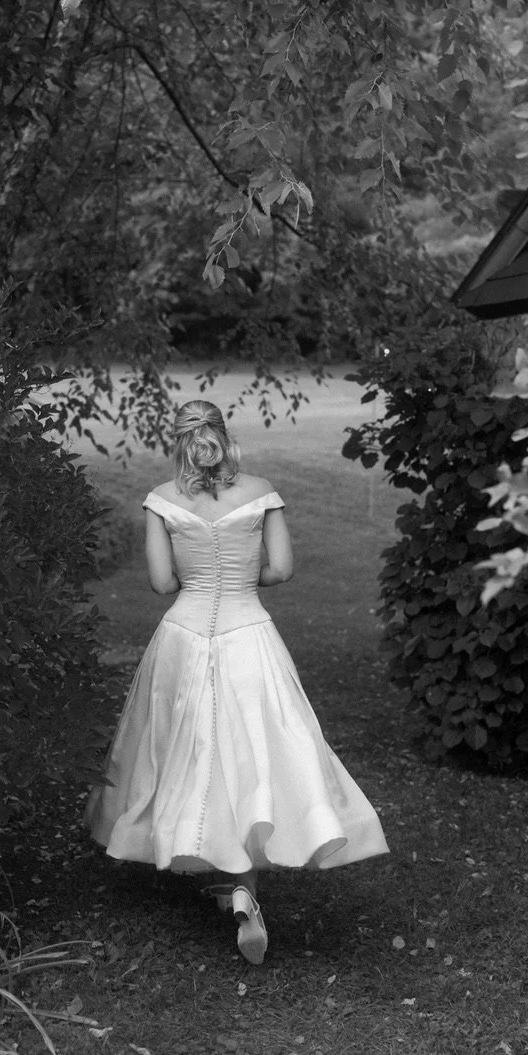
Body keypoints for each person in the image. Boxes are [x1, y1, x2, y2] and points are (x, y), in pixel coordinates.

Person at [85, 399, 389, 965]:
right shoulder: (262, 491)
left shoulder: (161, 501)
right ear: (223, 436)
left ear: (178, 441)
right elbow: (281, 569)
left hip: (184, 635)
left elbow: (159, 582)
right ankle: (242, 886)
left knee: (187, 752)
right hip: (249, 632)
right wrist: (245, 579)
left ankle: (216, 864)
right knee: (252, 750)